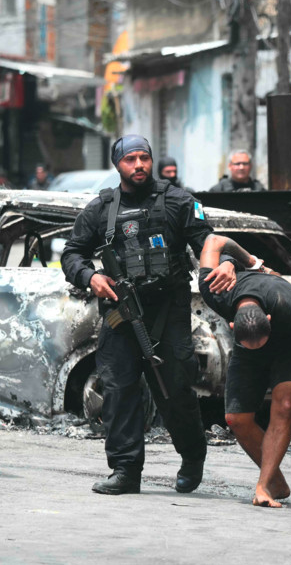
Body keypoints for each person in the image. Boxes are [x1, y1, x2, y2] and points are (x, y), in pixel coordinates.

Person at [60, 135, 237, 495]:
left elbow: (208, 242)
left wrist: (228, 263)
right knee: (119, 389)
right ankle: (125, 469)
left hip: (167, 311)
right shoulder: (102, 209)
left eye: (144, 158)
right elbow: (71, 253)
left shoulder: (177, 201)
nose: (138, 165)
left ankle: (192, 456)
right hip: (119, 314)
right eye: (130, 159)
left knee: (174, 388)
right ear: (117, 165)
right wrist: (90, 276)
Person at [197, 234, 291, 508]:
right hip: (254, 326)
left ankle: (264, 485)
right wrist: (246, 261)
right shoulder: (214, 290)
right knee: (236, 418)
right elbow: (213, 239)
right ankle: (276, 480)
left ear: (269, 321)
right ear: (232, 326)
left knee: (285, 403)